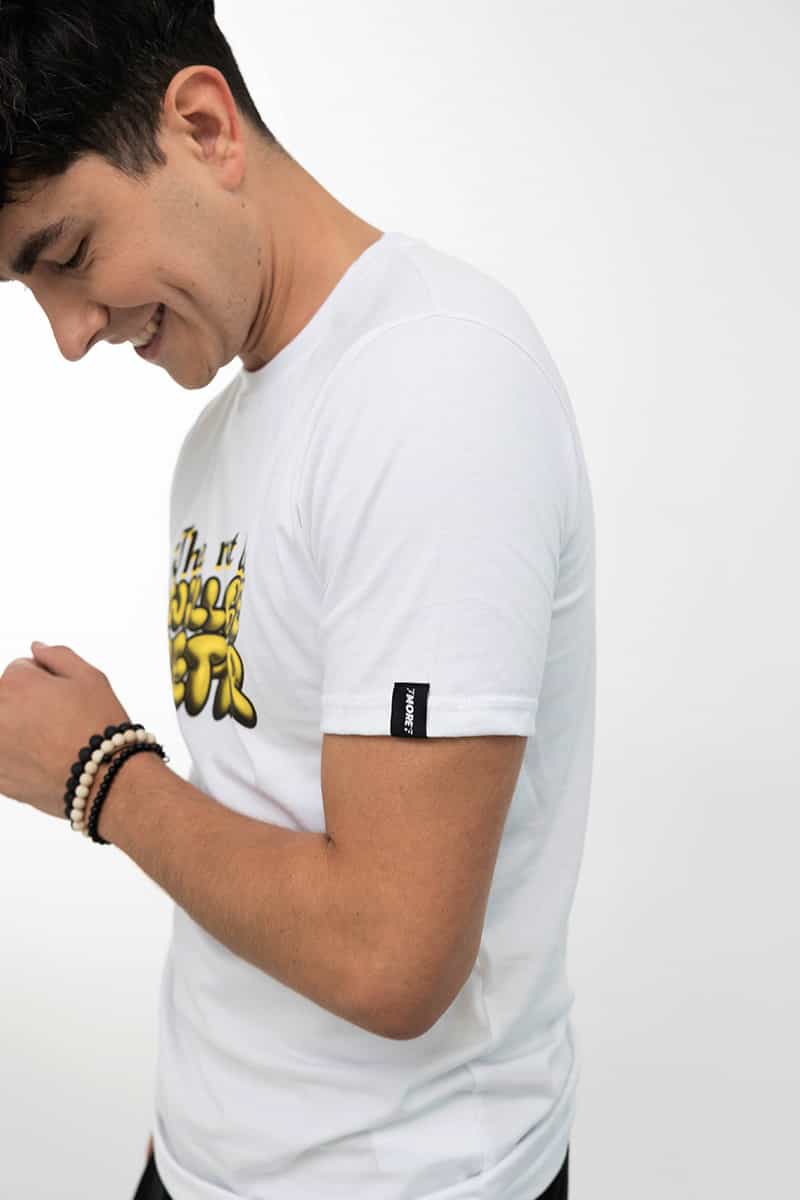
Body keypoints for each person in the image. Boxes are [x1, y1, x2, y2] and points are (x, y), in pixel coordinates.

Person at [0, 4, 594, 1199]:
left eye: (67, 255)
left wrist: (99, 773)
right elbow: (253, 808)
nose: (65, 335)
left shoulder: (434, 386)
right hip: (204, 1157)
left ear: (203, 127)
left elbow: (390, 954)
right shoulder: (221, 433)